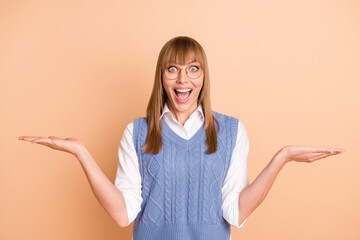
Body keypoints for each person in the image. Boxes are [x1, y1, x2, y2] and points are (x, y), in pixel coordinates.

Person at [19, 36, 345, 240]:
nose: (182, 78)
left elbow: (236, 213)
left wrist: (282, 158)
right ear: (161, 77)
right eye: (172, 68)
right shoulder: (137, 132)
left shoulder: (231, 132)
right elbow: (122, 215)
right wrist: (81, 153)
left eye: (193, 68)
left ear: (203, 77)